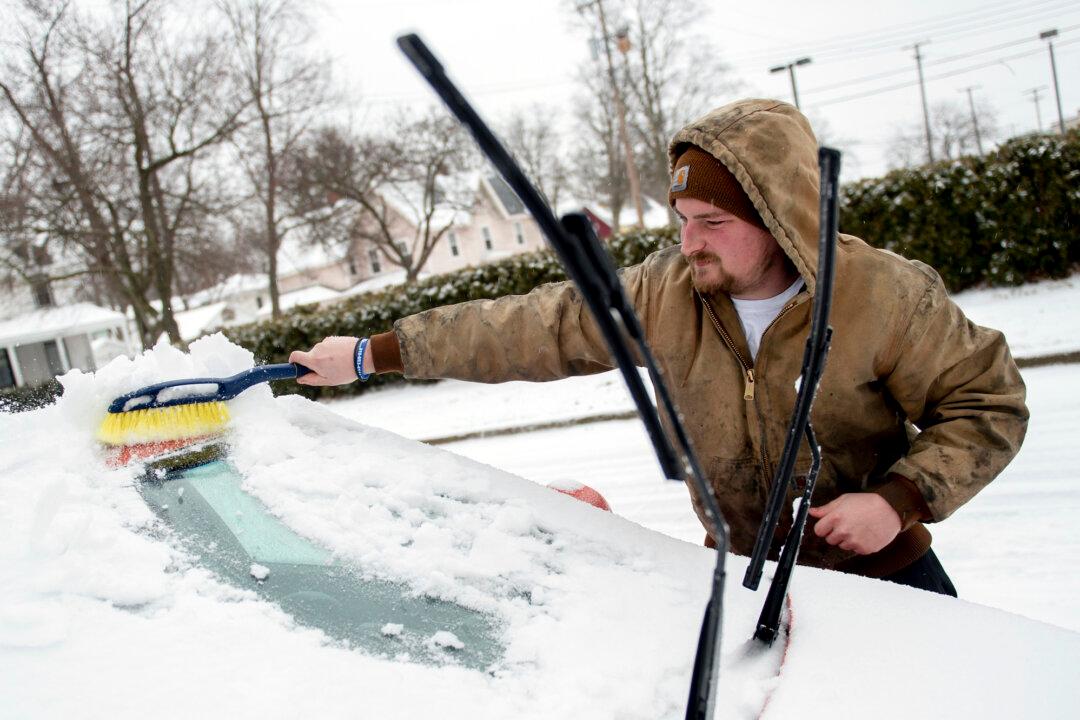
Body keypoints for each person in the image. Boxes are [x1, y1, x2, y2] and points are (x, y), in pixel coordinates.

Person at [290, 98, 1028, 596]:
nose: (687, 242)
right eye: (681, 217)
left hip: (888, 580)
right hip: (740, 590)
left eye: (711, 221)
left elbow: (988, 405)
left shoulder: (886, 296)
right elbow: (528, 327)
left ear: (781, 216)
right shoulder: (664, 295)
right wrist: (371, 353)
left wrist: (897, 501)